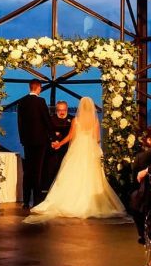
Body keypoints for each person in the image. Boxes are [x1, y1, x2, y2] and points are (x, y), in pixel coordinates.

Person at [25, 97, 128, 223]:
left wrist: (60, 144)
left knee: (72, 175)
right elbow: (97, 139)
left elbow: (70, 136)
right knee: (92, 178)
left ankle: (69, 201)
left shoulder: (76, 120)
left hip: (77, 150)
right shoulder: (95, 121)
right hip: (91, 150)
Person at [17, 80, 51, 208]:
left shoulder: (22, 101)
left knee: (28, 171)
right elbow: (46, 120)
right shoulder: (41, 102)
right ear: (39, 88)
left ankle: (26, 201)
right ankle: (36, 200)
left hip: (27, 141)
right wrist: (53, 136)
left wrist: (22, 139)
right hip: (40, 141)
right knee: (38, 171)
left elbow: (20, 123)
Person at [44, 100, 73, 188]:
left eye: (64, 110)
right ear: (56, 110)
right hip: (53, 148)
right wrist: (53, 141)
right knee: (52, 168)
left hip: (67, 148)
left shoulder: (72, 119)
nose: (62, 112)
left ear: (67, 109)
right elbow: (46, 132)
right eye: (60, 110)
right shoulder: (51, 119)